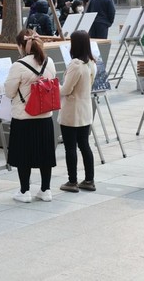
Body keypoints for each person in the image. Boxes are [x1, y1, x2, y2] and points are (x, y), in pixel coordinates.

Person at [4, 29, 57, 203]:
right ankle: (46, 190)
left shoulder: (18, 65)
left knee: (23, 155)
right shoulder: (49, 62)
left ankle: (24, 191)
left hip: (24, 117)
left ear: (21, 46)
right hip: (45, 116)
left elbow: (9, 92)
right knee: (45, 155)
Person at [58, 31, 97, 192]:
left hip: (71, 111)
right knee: (84, 145)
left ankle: (72, 181)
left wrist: (54, 85)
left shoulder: (75, 65)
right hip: (85, 110)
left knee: (70, 148)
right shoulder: (92, 63)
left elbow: (66, 90)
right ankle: (89, 179)